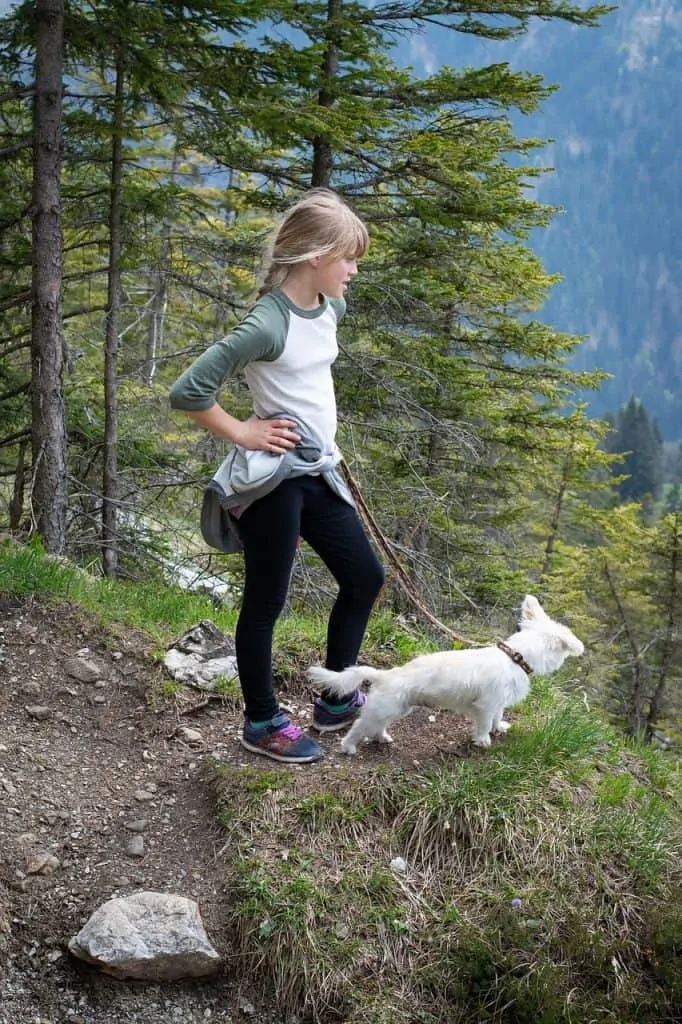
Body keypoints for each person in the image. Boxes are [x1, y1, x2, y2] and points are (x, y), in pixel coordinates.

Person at [169, 189, 385, 764]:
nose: (354, 271)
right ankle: (262, 720)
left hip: (316, 470)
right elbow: (188, 390)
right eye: (349, 258)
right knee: (267, 599)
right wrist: (244, 431)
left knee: (364, 576)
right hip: (272, 480)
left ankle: (336, 699)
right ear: (316, 256)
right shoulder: (267, 322)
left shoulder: (329, 308)